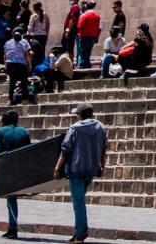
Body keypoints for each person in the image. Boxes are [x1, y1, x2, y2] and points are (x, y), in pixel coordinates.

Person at [54, 102, 110, 243]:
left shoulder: (75, 128)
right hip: (91, 169)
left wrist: (57, 168)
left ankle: (80, 232)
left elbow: (65, 149)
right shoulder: (100, 127)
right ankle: (79, 230)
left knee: (78, 202)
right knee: (80, 200)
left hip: (76, 169)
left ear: (80, 114)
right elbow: (104, 150)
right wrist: (103, 167)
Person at [0, 105, 31, 238]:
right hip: (19, 168)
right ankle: (12, 228)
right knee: (12, 197)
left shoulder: (1, 131)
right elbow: (28, 150)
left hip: (4, 167)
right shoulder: (24, 132)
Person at [3, 30, 35, 104]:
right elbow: (27, 55)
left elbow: (5, 55)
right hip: (20, 64)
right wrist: (30, 65)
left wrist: (6, 65)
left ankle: (10, 99)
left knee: (12, 82)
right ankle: (25, 99)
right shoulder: (24, 42)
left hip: (10, 64)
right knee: (24, 81)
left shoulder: (7, 43)